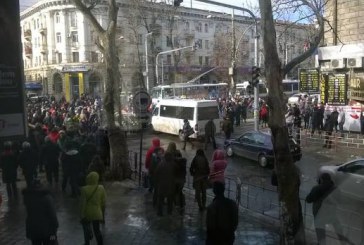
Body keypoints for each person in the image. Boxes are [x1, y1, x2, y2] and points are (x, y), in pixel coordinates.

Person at [306, 173, 349, 245]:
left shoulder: (316, 188)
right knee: (338, 227)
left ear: (321, 180)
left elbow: (308, 200)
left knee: (320, 231)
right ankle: (343, 242)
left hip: (319, 215)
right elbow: (340, 200)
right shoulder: (336, 189)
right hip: (331, 214)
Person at [23, 180, 59, 245]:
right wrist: (55, 227)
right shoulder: (47, 198)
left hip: (33, 230)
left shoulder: (28, 198)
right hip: (48, 230)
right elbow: (52, 215)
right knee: (50, 242)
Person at [80, 172, 106, 245]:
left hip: (87, 213)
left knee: (86, 230)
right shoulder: (101, 188)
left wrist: (81, 215)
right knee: (97, 230)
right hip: (97, 213)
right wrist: (103, 216)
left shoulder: (84, 189)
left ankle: (87, 243)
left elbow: (83, 204)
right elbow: (103, 202)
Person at [154, 152, 175, 216]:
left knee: (160, 199)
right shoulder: (174, 165)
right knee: (170, 200)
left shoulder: (161, 164)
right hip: (171, 185)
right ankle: (169, 212)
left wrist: (157, 182)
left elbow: (156, 174)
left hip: (162, 185)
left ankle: (160, 213)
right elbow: (176, 175)